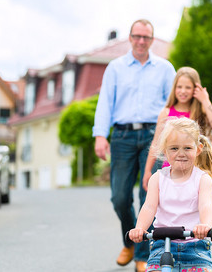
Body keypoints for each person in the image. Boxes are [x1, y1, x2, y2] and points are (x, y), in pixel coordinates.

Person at [92, 19, 176, 272]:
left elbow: (172, 105)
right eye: (137, 36)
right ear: (130, 38)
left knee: (148, 195)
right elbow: (105, 102)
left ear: (152, 40)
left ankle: (141, 255)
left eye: (146, 37)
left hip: (155, 135)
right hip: (122, 136)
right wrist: (100, 135)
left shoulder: (164, 68)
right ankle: (130, 240)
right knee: (119, 197)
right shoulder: (115, 68)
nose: (141, 41)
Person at [128, 117, 212, 272]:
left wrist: (205, 226)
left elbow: (205, 206)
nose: (181, 153)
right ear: (165, 151)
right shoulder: (157, 178)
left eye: (187, 148)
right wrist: (140, 228)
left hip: (194, 245)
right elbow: (149, 207)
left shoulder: (202, 180)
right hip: (161, 244)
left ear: (198, 149)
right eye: (174, 148)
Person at [142, 66, 212, 191]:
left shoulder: (200, 112)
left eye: (188, 87)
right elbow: (156, 142)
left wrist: (205, 100)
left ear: (195, 89)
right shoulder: (166, 113)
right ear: (174, 88)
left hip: (195, 170)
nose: (183, 91)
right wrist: (147, 170)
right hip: (171, 172)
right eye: (179, 87)